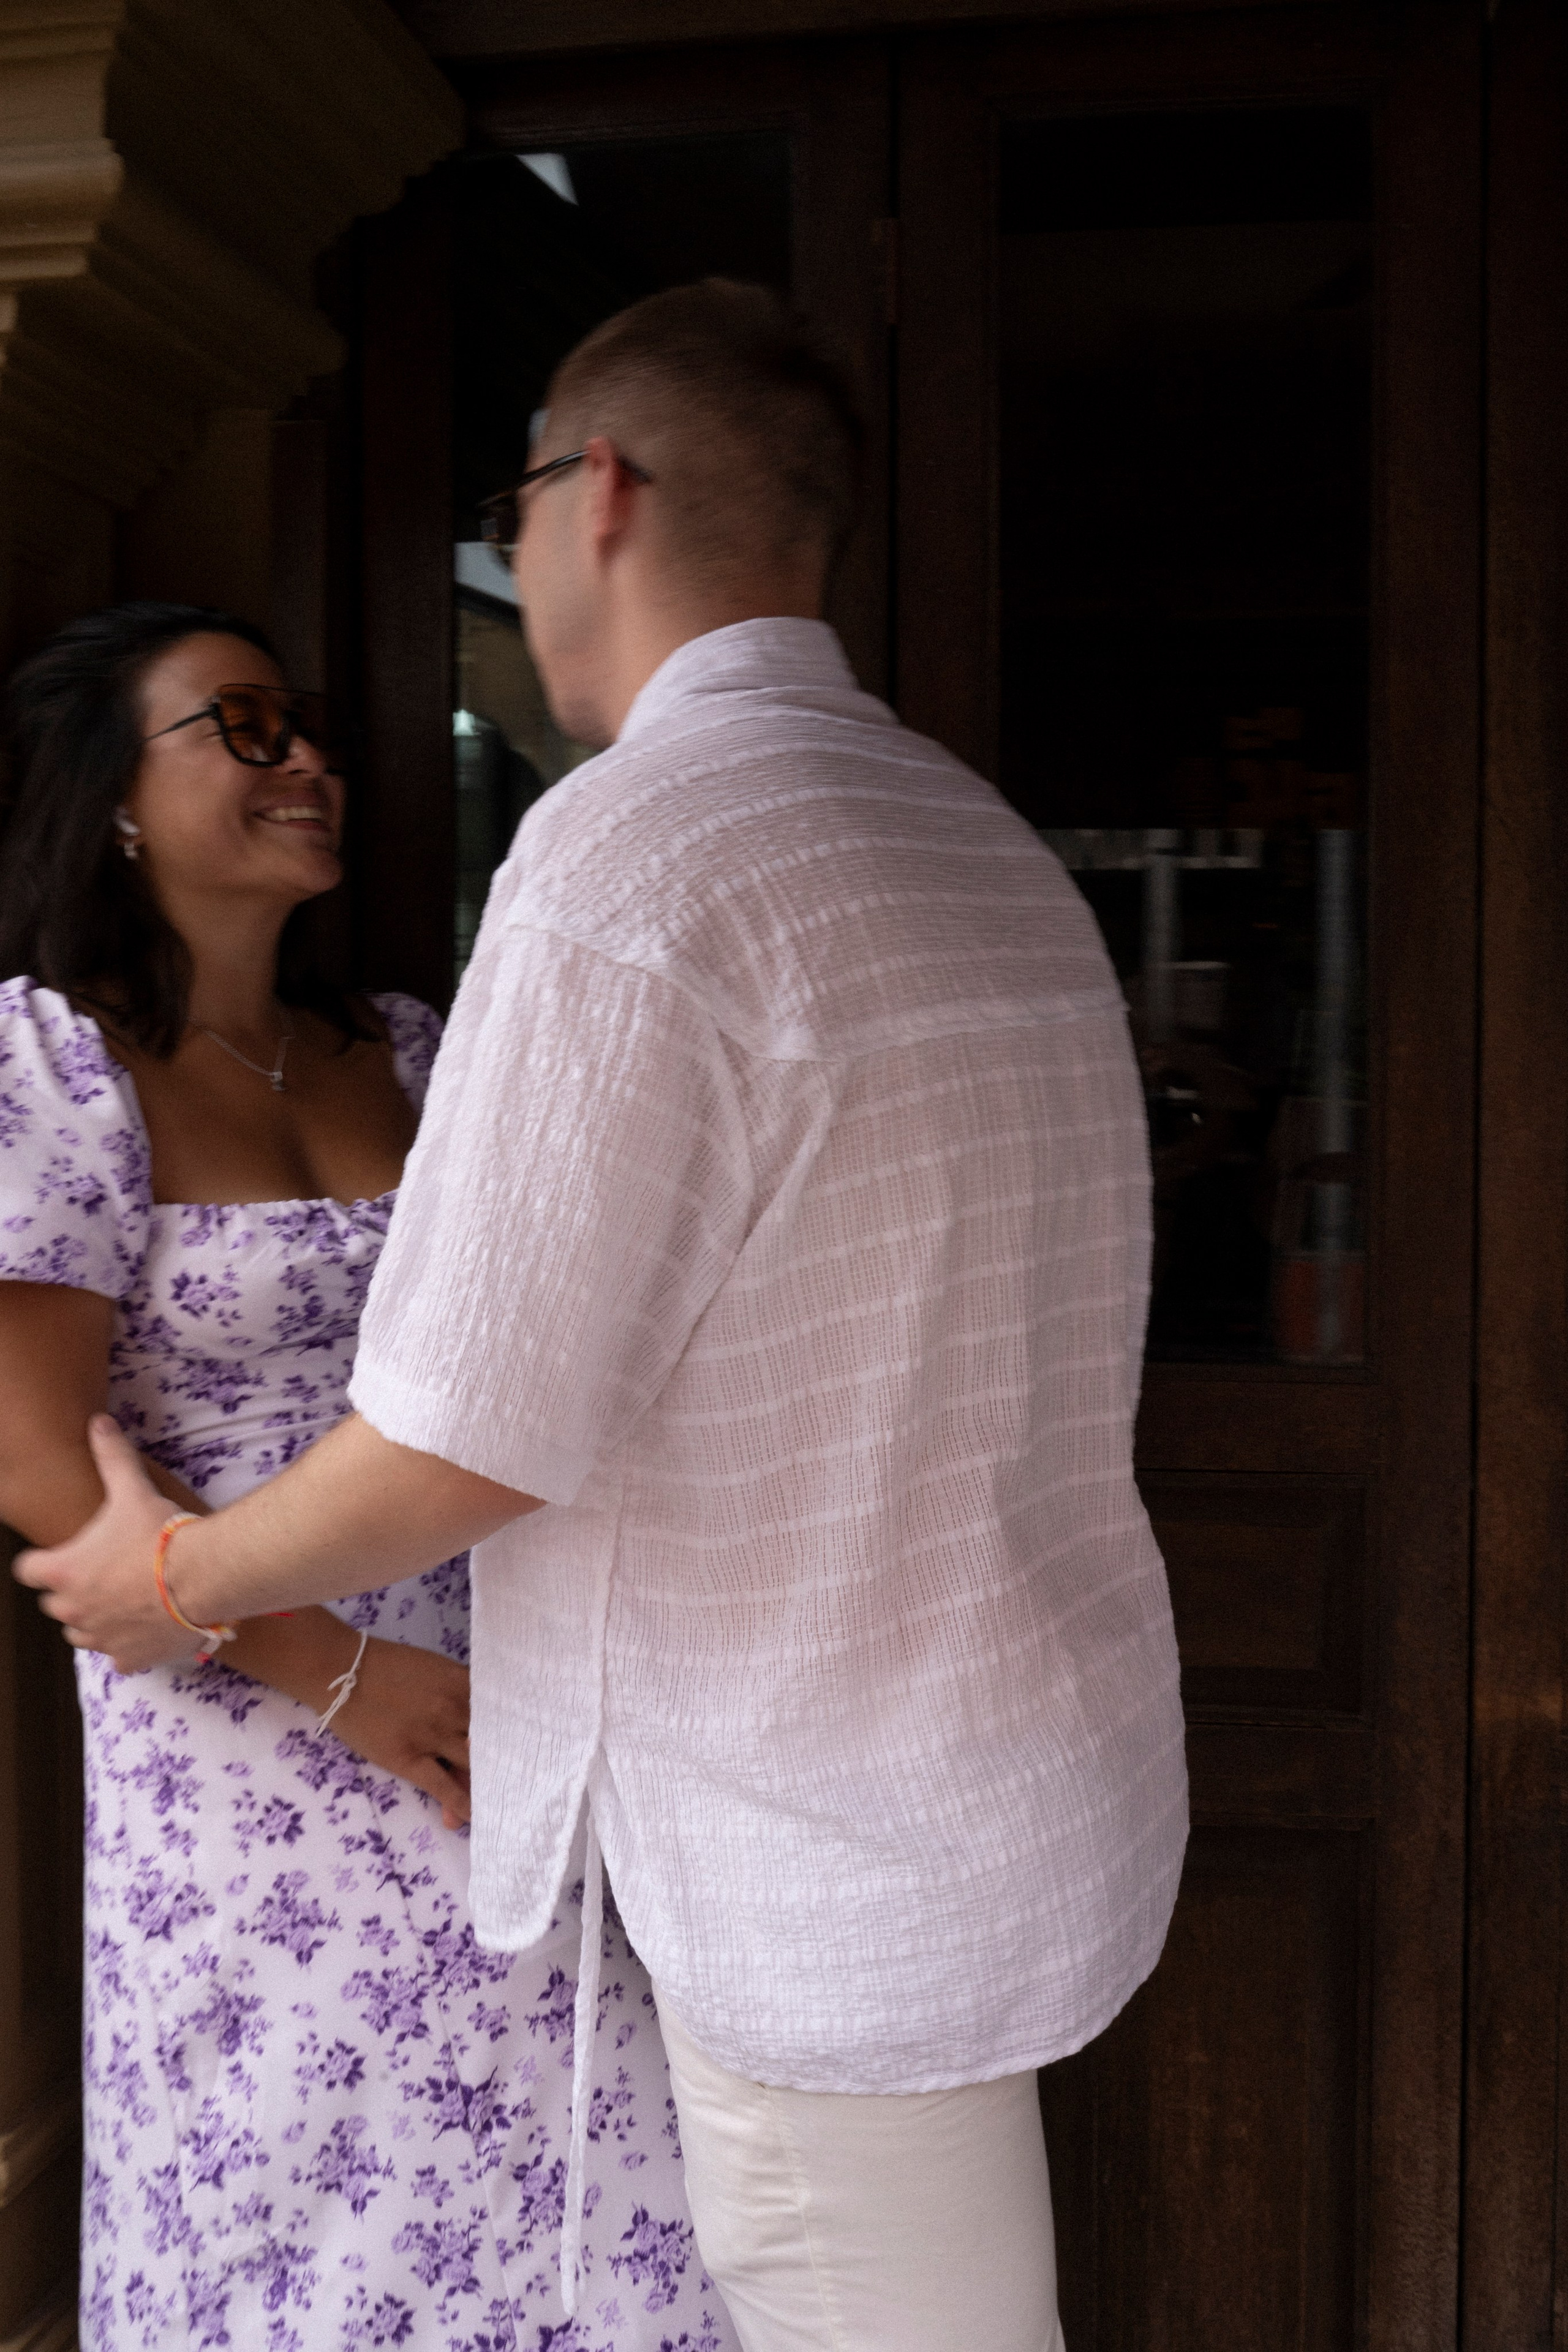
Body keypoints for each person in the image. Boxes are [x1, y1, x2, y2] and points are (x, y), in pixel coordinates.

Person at [20, 284, 1189, 2352]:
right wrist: (288, 1651)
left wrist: (189, 1576)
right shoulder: (971, 835)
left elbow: (482, 1426)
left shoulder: (630, 859)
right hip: (910, 1769)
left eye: (521, 499)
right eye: (242, 728)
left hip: (766, 1805)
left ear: (603, 493)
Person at [0, 602, 737, 2352]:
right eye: (244, 727)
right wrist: (343, 1678)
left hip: (512, 1684)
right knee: (301, 2200)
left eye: (307, 722)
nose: (309, 759)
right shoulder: (51, 1061)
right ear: (113, 795)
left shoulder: (409, 1047)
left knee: (579, 2161)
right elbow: (38, 1454)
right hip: (245, 1725)